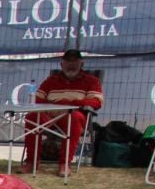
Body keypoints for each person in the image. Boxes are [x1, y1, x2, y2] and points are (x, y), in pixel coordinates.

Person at [21, 48, 103, 177]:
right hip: (50, 114)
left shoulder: (92, 81)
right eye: (68, 61)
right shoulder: (51, 80)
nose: (71, 64)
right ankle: (32, 161)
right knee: (32, 117)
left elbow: (96, 102)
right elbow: (37, 99)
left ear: (81, 63)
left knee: (74, 118)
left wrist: (69, 104)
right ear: (61, 64)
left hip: (73, 114)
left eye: (74, 61)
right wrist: (53, 107)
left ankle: (65, 163)